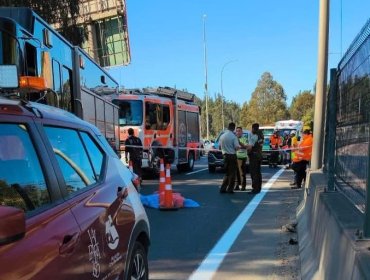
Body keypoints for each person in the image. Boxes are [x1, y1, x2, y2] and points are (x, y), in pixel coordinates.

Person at [219, 122, 240, 194]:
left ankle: (223, 188)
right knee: (232, 173)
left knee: (227, 173)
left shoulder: (222, 136)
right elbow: (237, 147)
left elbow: (219, 146)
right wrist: (239, 148)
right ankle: (230, 189)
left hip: (225, 156)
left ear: (228, 127)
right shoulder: (233, 137)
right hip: (232, 156)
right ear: (234, 128)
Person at [247, 123, 264, 194]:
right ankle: (258, 188)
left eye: (252, 128)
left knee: (253, 173)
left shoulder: (254, 136)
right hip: (259, 155)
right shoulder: (261, 135)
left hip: (254, 156)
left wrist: (246, 148)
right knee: (258, 173)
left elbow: (250, 147)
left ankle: (255, 188)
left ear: (253, 128)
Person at [235, 126, 249, 191]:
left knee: (242, 172)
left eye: (239, 131)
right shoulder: (234, 139)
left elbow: (246, 147)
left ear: (242, 132)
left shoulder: (244, 138)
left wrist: (240, 144)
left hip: (242, 157)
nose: (238, 132)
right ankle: (237, 185)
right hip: (236, 157)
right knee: (236, 172)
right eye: (237, 131)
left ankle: (243, 186)